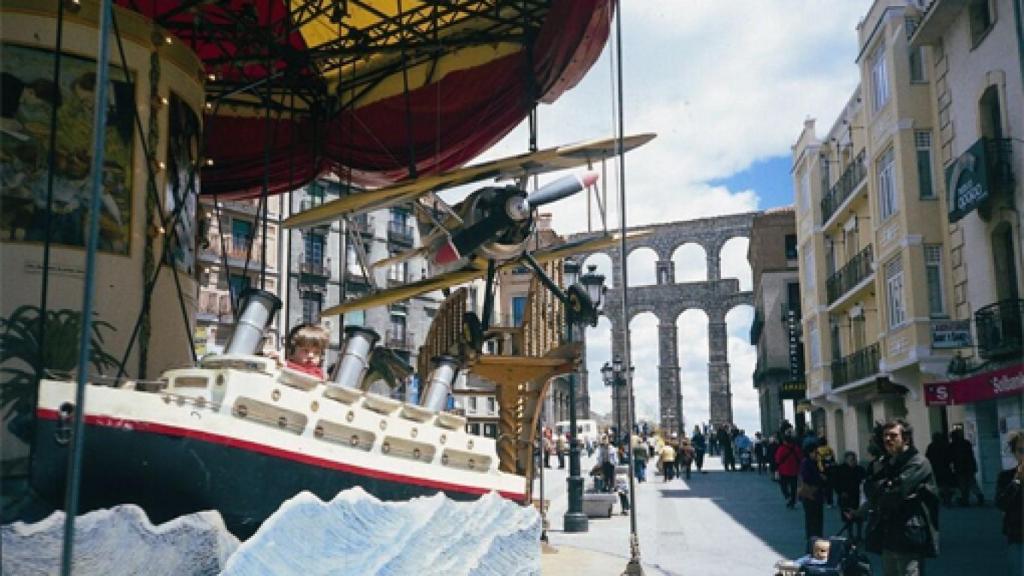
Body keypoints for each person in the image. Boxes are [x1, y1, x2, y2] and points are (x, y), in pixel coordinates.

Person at [863, 418, 939, 576]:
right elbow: (870, 490)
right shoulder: (888, 462)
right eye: (885, 436)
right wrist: (882, 486)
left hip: (909, 533)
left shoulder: (918, 462)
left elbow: (894, 494)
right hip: (888, 533)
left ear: (905, 439)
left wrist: (883, 488)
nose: (887, 439)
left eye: (893, 435)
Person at [996, 430, 1023, 576]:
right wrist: (1017, 481)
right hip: (1017, 536)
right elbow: (1001, 503)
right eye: (1021, 450)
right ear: (1014, 453)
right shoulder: (1006, 477)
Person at [832, 451, 867, 540]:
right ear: (846, 460)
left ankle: (859, 535)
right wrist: (840, 492)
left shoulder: (860, 469)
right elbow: (835, 482)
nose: (854, 461)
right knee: (848, 517)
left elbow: (865, 481)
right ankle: (850, 535)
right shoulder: (840, 469)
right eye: (852, 459)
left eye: (855, 459)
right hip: (846, 497)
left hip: (858, 497)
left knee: (859, 518)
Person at [799, 448, 826, 549]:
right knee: (812, 519)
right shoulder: (806, 463)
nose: (816, 454)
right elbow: (806, 478)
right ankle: (812, 541)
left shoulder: (816, 462)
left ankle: (816, 539)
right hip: (810, 494)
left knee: (817, 518)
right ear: (809, 453)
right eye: (814, 452)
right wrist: (820, 478)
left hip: (816, 494)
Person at [950, 427, 984, 506]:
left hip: (960, 467)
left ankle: (965, 499)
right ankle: (978, 496)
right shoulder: (966, 443)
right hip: (969, 467)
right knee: (972, 483)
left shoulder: (954, 445)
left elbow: (952, 457)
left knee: (963, 484)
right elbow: (970, 456)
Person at [924, 432, 955, 506]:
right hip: (945, 468)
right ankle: (947, 500)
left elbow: (927, 457)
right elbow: (950, 456)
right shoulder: (945, 445)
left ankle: (942, 499)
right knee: (946, 485)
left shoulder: (931, 446)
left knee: (938, 485)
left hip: (935, 468)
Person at [776, 432, 802, 508]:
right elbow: (800, 458)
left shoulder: (781, 449)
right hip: (794, 470)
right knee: (794, 486)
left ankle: (788, 496)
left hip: (784, 471)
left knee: (783, 485)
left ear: (785, 441)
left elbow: (777, 460)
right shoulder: (796, 448)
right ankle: (793, 501)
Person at [816, 437, 836, 507]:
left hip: (821, 470)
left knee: (821, 486)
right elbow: (833, 459)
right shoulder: (830, 450)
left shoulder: (817, 450)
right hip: (830, 470)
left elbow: (817, 461)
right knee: (829, 487)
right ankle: (830, 502)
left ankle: (822, 499)